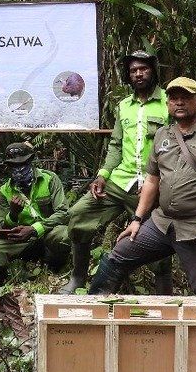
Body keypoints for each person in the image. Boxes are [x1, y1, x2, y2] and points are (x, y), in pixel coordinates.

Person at [88, 77, 196, 295]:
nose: (179, 102)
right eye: (174, 98)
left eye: (185, 98)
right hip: (162, 223)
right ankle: (94, 311)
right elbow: (152, 179)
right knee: (119, 255)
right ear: (168, 104)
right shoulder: (163, 134)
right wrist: (137, 219)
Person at [61, 49, 171, 294]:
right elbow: (116, 145)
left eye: (143, 69)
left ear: (153, 71)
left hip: (153, 186)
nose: (139, 74)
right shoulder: (124, 106)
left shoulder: (168, 103)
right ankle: (77, 278)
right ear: (128, 75)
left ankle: (164, 296)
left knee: (159, 247)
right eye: (134, 70)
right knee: (79, 215)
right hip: (121, 180)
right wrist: (103, 175)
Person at [0, 142, 70, 284]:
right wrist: (13, 214)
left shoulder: (49, 179)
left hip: (48, 234)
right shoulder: (5, 190)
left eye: (23, 164)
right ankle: (0, 286)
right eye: (14, 166)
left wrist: (34, 229)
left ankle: (58, 269)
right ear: (8, 166)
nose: (19, 170)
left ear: (31, 161)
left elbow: (64, 212)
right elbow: (3, 225)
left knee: (63, 235)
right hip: (22, 241)